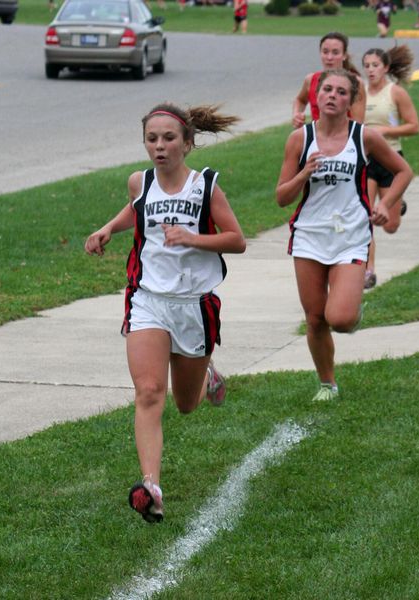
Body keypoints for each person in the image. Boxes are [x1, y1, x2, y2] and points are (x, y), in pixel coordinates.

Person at [84, 103, 246, 523]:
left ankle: (207, 374)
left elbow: (236, 240)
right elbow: (135, 209)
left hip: (193, 305)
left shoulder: (204, 187)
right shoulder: (139, 182)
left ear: (187, 143)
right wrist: (107, 228)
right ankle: (151, 487)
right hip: (148, 300)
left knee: (186, 404)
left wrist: (193, 239)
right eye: (152, 139)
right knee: (150, 391)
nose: (159, 146)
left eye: (169, 138)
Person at [277, 69, 413, 402]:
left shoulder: (364, 137)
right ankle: (328, 384)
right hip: (309, 235)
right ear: (317, 95)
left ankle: (351, 310)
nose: (332, 96)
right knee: (315, 318)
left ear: (351, 101)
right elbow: (282, 197)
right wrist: (304, 173)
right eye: (327, 89)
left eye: (341, 92)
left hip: (351, 234)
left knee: (339, 318)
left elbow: (403, 171)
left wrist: (386, 204)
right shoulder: (300, 139)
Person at [362, 45, 419, 288]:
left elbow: (414, 126)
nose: (370, 70)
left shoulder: (395, 93)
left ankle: (398, 203)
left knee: (390, 226)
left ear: (385, 67)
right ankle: (369, 270)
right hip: (366, 160)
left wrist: (386, 131)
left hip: (391, 158)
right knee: (364, 217)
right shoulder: (360, 93)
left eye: (375, 65)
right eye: (367, 66)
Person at [292, 32, 367, 130]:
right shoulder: (311, 79)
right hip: (315, 137)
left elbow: (357, 125)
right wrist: (296, 114)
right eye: (325, 52)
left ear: (344, 55)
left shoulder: (355, 83)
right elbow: (300, 100)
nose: (329, 57)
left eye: (335, 53)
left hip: (343, 137)